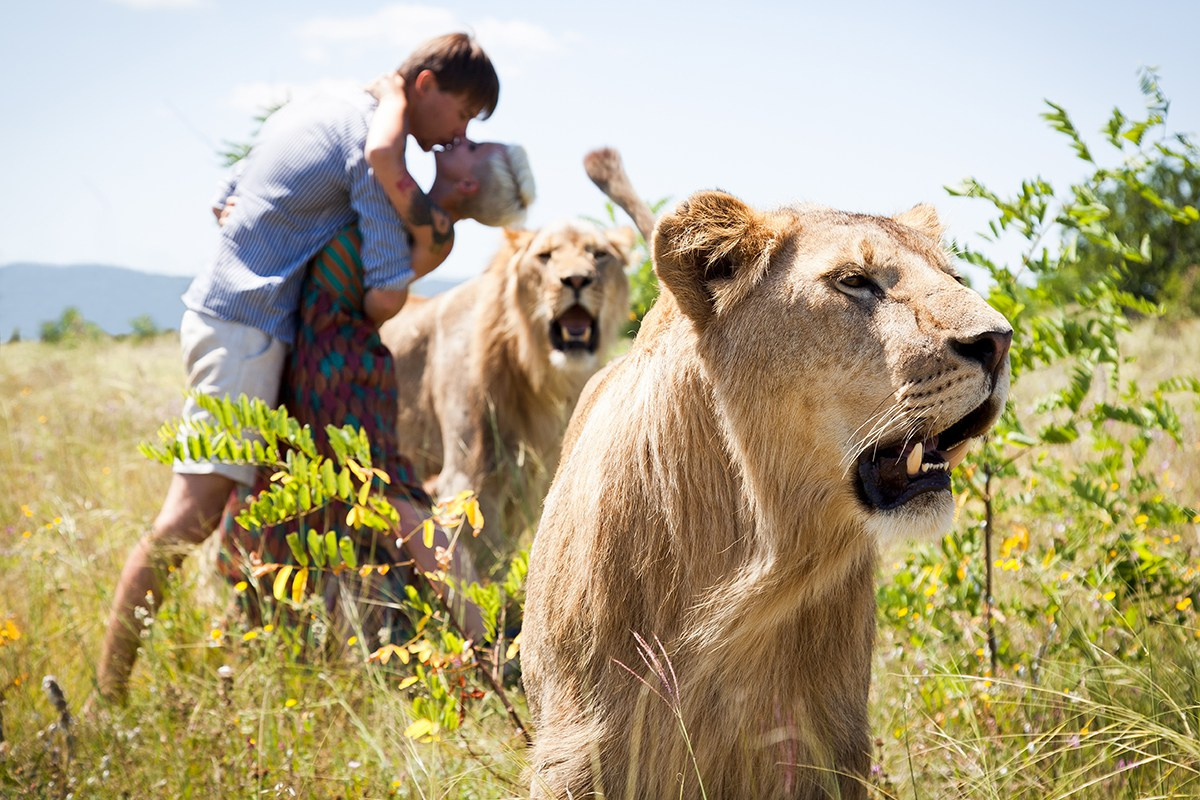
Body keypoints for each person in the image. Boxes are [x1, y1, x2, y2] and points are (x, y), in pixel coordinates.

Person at [96, 31, 522, 702]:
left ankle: (292, 655)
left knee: (273, 502)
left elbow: (226, 194)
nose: (454, 134)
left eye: (468, 132)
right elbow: (384, 293)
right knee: (195, 512)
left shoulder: (323, 110)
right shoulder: (375, 152)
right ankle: (108, 690)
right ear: (426, 84)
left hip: (247, 323)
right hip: (252, 329)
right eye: (464, 114)